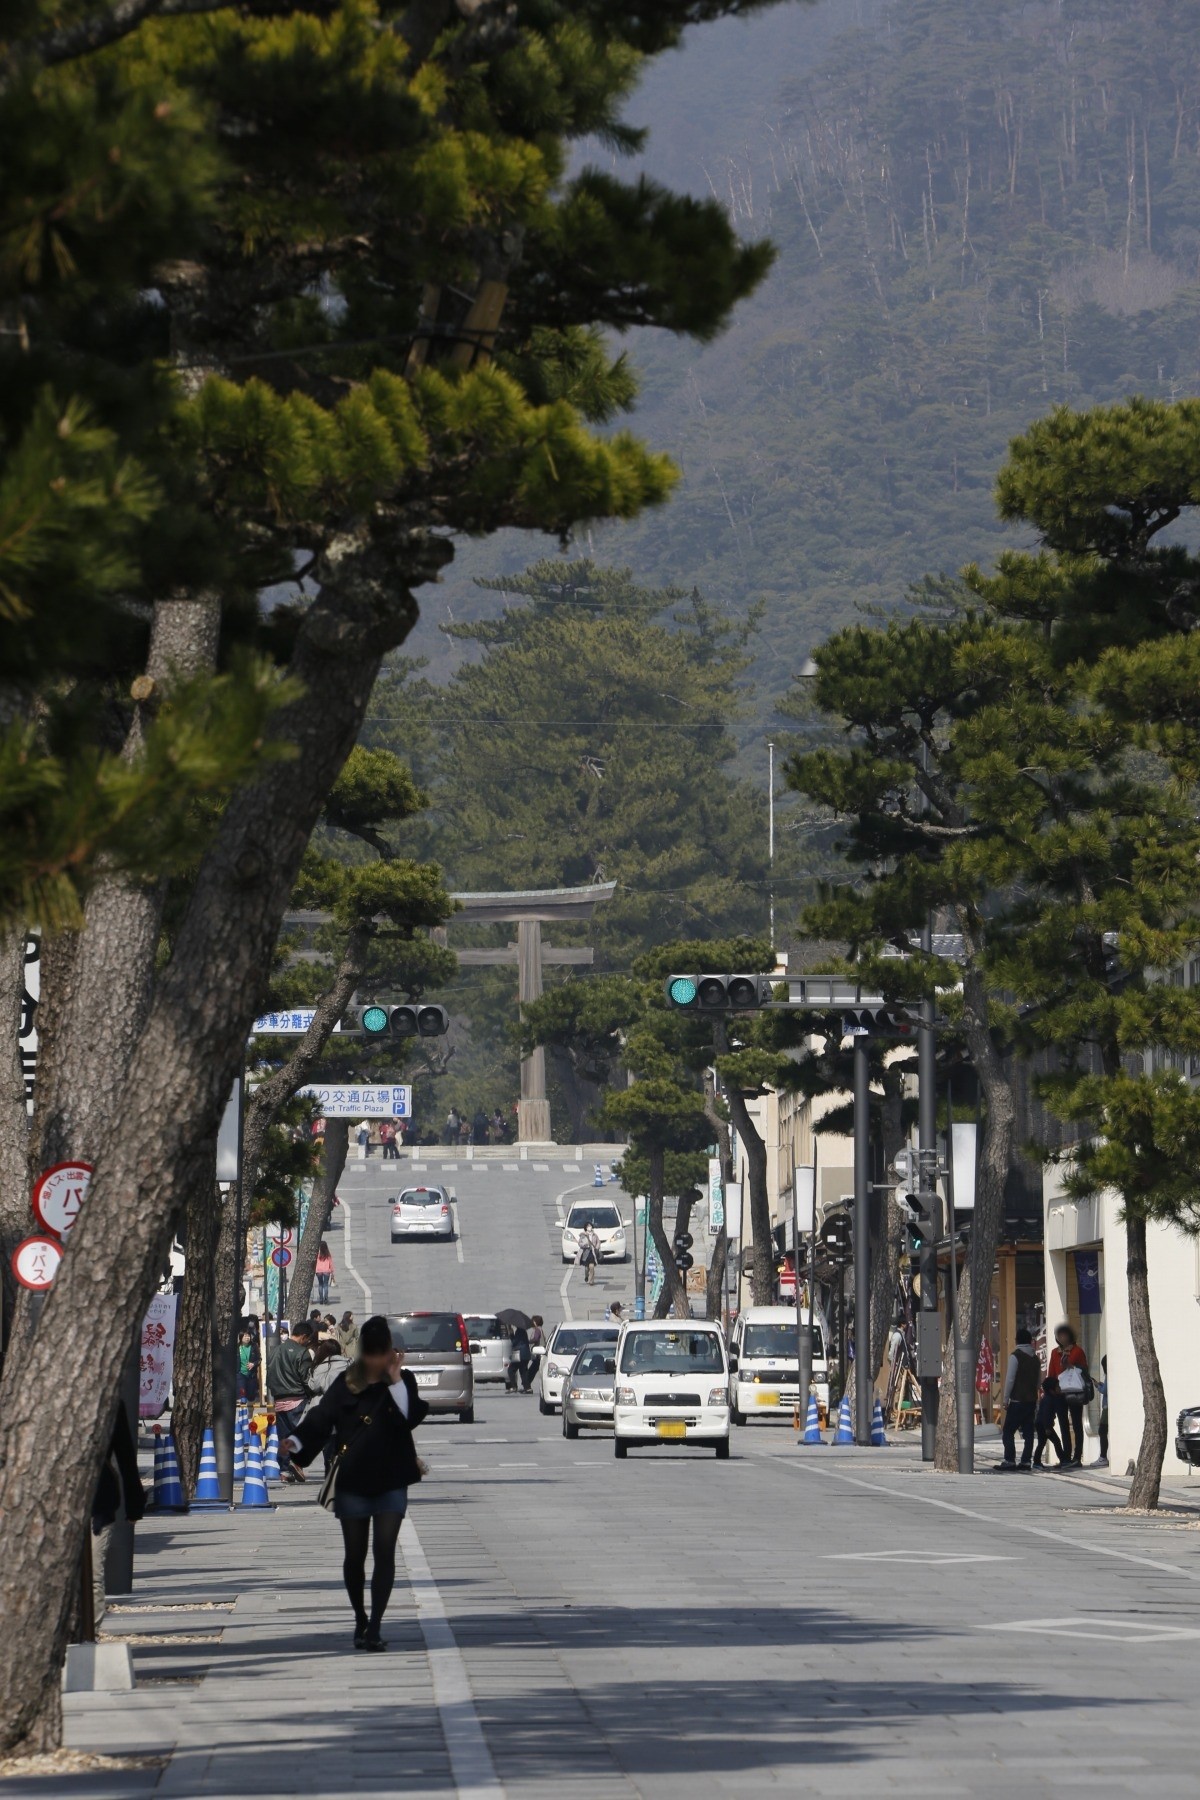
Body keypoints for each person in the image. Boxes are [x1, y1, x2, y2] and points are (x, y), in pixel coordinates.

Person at [284, 1315, 428, 1652]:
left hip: (392, 1477)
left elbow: (410, 1418)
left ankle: (375, 1625)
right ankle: (360, 1618)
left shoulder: (402, 1381)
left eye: (384, 1352)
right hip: (352, 1478)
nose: (379, 1359)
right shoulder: (346, 1382)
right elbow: (321, 1417)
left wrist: (395, 1381)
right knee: (354, 1555)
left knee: (385, 1551)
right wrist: (297, 1443)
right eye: (374, 1352)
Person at [267, 1319, 317, 1483]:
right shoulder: (301, 1353)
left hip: (279, 1400)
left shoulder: (275, 1351)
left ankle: (284, 1471)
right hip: (297, 1398)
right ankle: (296, 1462)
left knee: (284, 1437)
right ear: (303, 1336)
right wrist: (312, 1393)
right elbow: (306, 1379)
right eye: (307, 1339)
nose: (307, 1342)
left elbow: (269, 1377)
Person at [1047, 1322, 1090, 1469]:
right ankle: (1065, 1457)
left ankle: (1077, 1457)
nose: (1062, 1337)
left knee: (1077, 1423)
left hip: (1074, 1391)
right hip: (1059, 1392)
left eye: (1064, 1334)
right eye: (1059, 1335)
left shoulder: (1077, 1351)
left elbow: (1083, 1371)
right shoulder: (1054, 1352)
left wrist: (1069, 1365)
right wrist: (1050, 1390)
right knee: (1063, 1424)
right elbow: (1052, 1373)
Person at [997, 1326, 1040, 1470]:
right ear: (1030, 1341)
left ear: (1017, 1341)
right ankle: (1026, 1461)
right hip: (1031, 1400)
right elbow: (1039, 1381)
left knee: (1008, 1431)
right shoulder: (1035, 1359)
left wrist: (1005, 1399)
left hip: (1017, 1400)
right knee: (1028, 1433)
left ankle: (1009, 1460)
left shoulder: (1015, 1356)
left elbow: (1010, 1379)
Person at [1033, 1372, 1064, 1468]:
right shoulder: (1048, 1399)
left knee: (1042, 1443)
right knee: (1055, 1441)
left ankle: (1037, 1462)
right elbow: (1046, 1414)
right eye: (1057, 1386)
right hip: (1043, 1424)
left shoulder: (1050, 1397)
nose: (1059, 1388)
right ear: (1052, 1390)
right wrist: (1047, 1427)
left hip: (1042, 1423)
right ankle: (1063, 1460)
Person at [507, 1325, 533, 1393]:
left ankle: (514, 1386)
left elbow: (515, 1343)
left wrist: (511, 1334)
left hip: (519, 1354)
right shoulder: (523, 1331)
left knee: (511, 1370)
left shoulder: (519, 1331)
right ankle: (527, 1388)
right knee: (523, 1371)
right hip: (525, 1354)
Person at [1094, 1354, 1109, 1468]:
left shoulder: (1109, 1375)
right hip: (1107, 1407)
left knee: (1102, 1431)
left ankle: (1103, 1457)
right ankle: (1103, 1456)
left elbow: (1105, 1390)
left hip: (1106, 1408)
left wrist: (1098, 1386)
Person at [237, 1328, 259, 1402]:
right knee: (242, 1395)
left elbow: (259, 1359)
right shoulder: (237, 1347)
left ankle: (249, 1412)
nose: (247, 1338)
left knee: (251, 1397)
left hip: (251, 1375)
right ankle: (243, 1407)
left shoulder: (254, 1346)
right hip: (241, 1374)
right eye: (245, 1336)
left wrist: (253, 1364)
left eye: (248, 1336)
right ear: (241, 1337)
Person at [315, 1241, 335, 1305]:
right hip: (326, 1271)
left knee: (320, 1284)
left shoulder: (317, 1254)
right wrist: (332, 1271)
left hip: (319, 1271)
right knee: (325, 1285)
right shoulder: (328, 1254)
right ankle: (325, 1299)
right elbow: (331, 1263)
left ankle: (321, 1299)